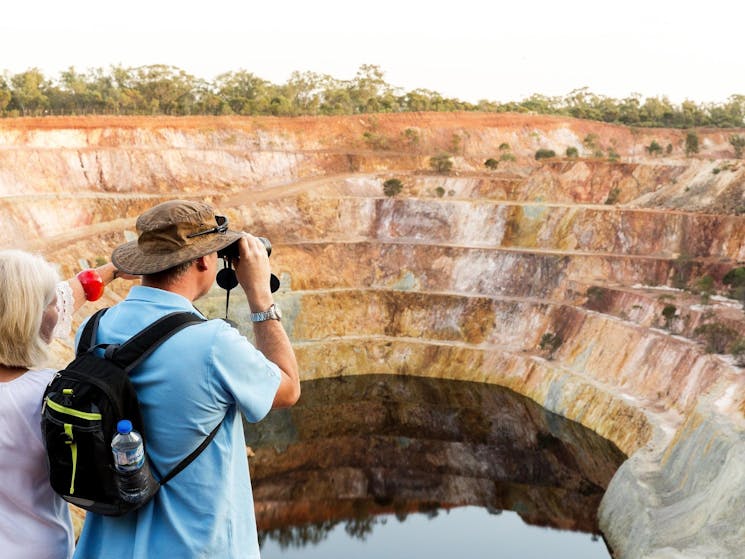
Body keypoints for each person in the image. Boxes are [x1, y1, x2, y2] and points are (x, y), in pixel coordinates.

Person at [73, 200, 300, 559]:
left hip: (106, 549)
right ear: (203, 260)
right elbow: (288, 388)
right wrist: (260, 296)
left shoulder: (91, 330)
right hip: (195, 549)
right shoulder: (213, 345)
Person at [0, 250, 129, 559]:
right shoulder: (54, 393)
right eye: (52, 303)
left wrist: (110, 270)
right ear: (29, 318)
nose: (60, 309)